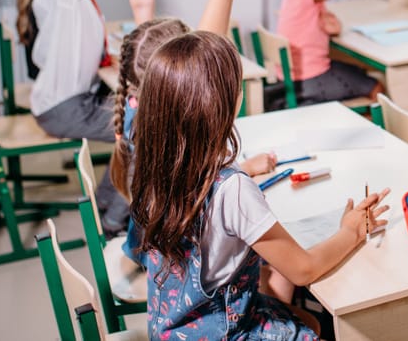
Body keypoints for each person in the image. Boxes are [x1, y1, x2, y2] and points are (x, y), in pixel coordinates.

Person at [131, 31, 391, 339]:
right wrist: (352, 229)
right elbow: (303, 269)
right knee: (312, 318)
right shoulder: (234, 190)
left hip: (173, 328)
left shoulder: (154, 169)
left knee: (289, 297)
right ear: (231, 101)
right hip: (223, 330)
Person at [108, 0, 288, 299]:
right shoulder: (168, 120)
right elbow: (210, 39)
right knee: (276, 264)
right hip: (170, 259)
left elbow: (141, 8)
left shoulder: (142, 102)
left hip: (147, 239)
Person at [14, 0, 132, 233]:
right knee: (144, 130)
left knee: (138, 117)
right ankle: (113, 220)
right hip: (63, 108)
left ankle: (107, 202)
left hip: (77, 100)